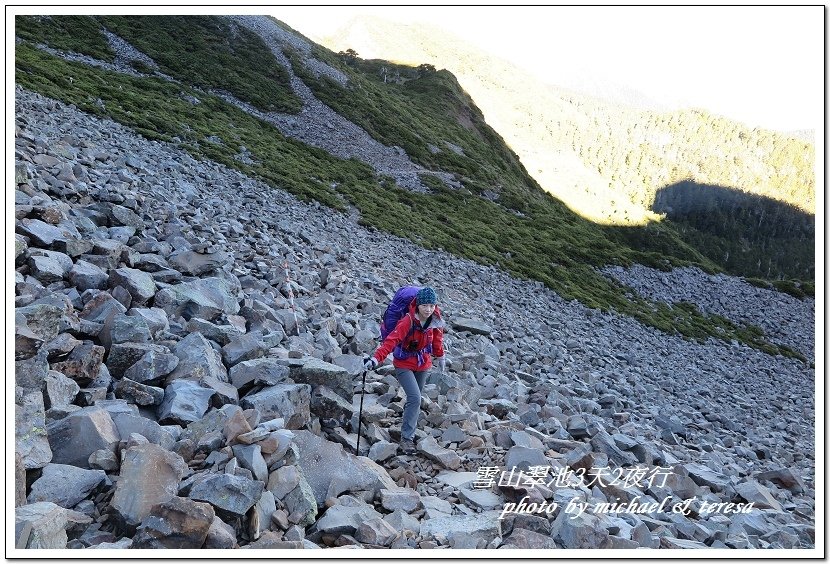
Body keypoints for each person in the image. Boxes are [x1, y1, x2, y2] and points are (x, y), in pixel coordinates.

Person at [364, 286, 446, 454]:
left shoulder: (435, 319)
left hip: (423, 363)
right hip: (403, 363)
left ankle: (408, 430)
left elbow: (437, 339)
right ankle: (406, 439)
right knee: (415, 398)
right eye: (425, 306)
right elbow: (391, 341)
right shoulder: (407, 320)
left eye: (432, 305)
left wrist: (441, 356)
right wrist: (375, 358)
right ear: (418, 305)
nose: (429, 309)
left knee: (415, 399)